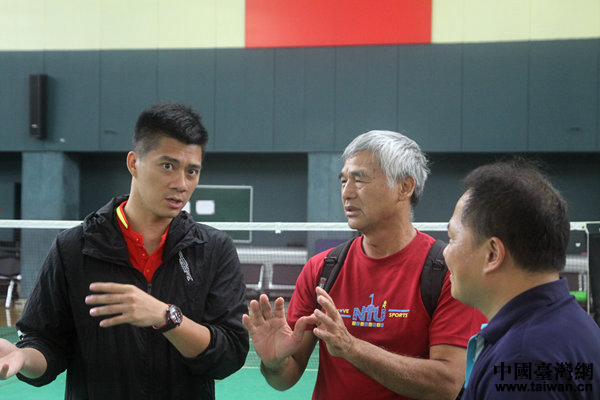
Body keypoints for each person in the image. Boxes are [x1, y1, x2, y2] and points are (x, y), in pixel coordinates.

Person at [0, 103, 249, 399]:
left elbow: (230, 353)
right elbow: (45, 343)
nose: (181, 184)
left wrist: (166, 317)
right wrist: (23, 357)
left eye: (192, 171)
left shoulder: (214, 249)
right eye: (168, 166)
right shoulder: (73, 247)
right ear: (133, 163)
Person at [243, 130, 486, 400]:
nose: (346, 193)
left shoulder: (448, 272)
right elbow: (285, 378)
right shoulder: (321, 269)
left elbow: (447, 384)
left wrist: (352, 348)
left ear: (404, 187)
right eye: (343, 181)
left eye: (359, 180)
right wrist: (275, 362)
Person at [445, 159, 600, 399]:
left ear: (492, 254)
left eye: (452, 238)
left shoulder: (519, 363)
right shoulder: (575, 327)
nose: (445, 252)